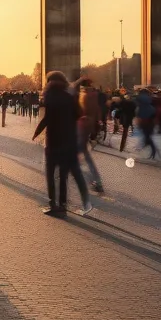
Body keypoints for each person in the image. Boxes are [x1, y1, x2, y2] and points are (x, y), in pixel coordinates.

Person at [33, 70, 93, 218]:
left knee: (51, 174)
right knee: (63, 174)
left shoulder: (49, 96)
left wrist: (37, 131)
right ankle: (63, 205)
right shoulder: (68, 96)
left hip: (53, 140)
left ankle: (53, 204)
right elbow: (79, 114)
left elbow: (47, 118)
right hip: (69, 140)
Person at [135, 88, 160, 159]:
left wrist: (138, 120)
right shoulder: (150, 99)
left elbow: (139, 111)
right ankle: (151, 151)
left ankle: (153, 151)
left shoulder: (139, 100)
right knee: (147, 136)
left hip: (144, 120)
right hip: (150, 119)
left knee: (147, 137)